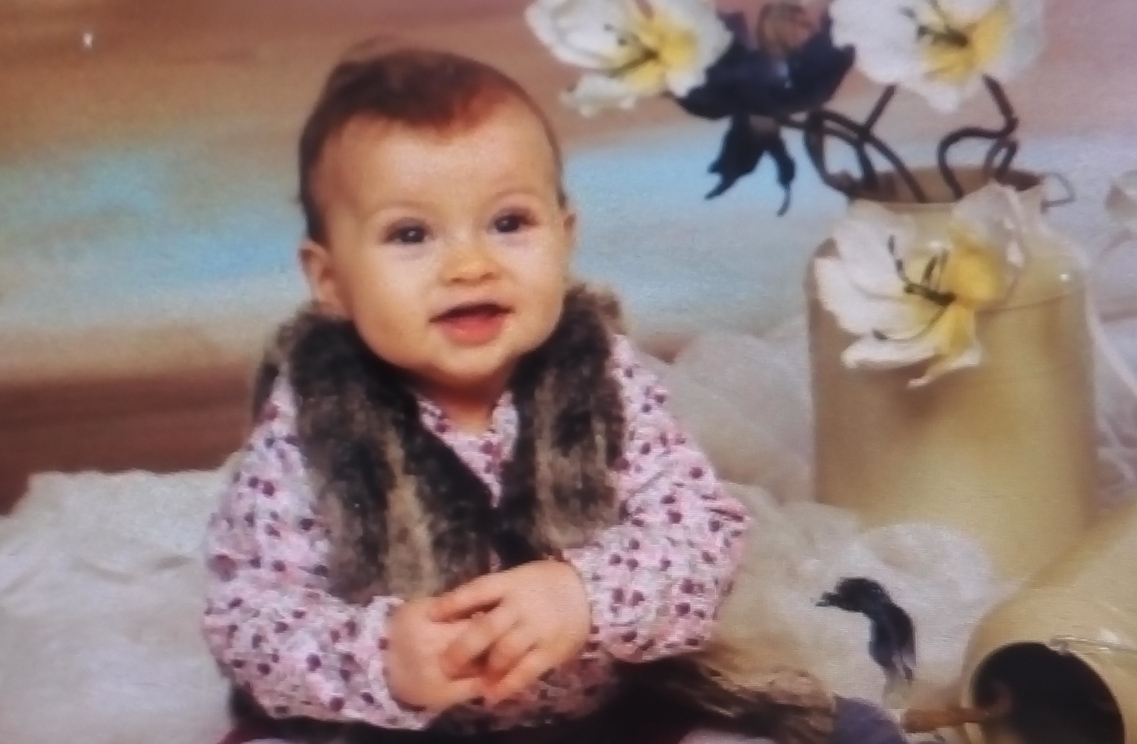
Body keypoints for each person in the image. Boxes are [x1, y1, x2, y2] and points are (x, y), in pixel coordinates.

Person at [201, 44, 907, 744]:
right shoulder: (312, 421)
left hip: (598, 717)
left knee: (784, 731)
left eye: (508, 223)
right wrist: (381, 656)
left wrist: (585, 594)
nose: (469, 265)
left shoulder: (601, 380)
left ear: (564, 238)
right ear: (330, 281)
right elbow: (250, 617)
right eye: (410, 234)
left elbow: (700, 534)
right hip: (390, 731)